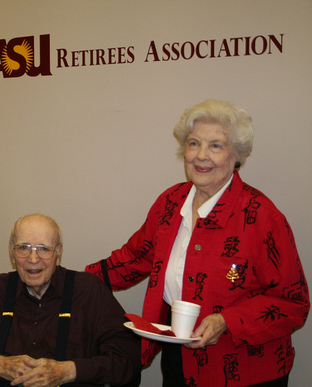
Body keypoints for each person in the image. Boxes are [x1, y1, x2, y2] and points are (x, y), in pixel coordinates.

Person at [85, 99, 309, 386]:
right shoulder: (170, 202)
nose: (201, 155)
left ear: (237, 154)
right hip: (179, 360)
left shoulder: (262, 217)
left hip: (246, 370)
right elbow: (133, 258)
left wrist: (225, 320)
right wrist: (70, 282)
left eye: (216, 145)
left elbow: (293, 303)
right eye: (193, 144)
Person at [0, 213, 142, 387]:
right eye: (23, 247)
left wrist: (68, 370)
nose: (33, 260)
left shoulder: (88, 291)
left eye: (44, 248)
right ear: (11, 251)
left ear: (58, 252)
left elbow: (128, 361)